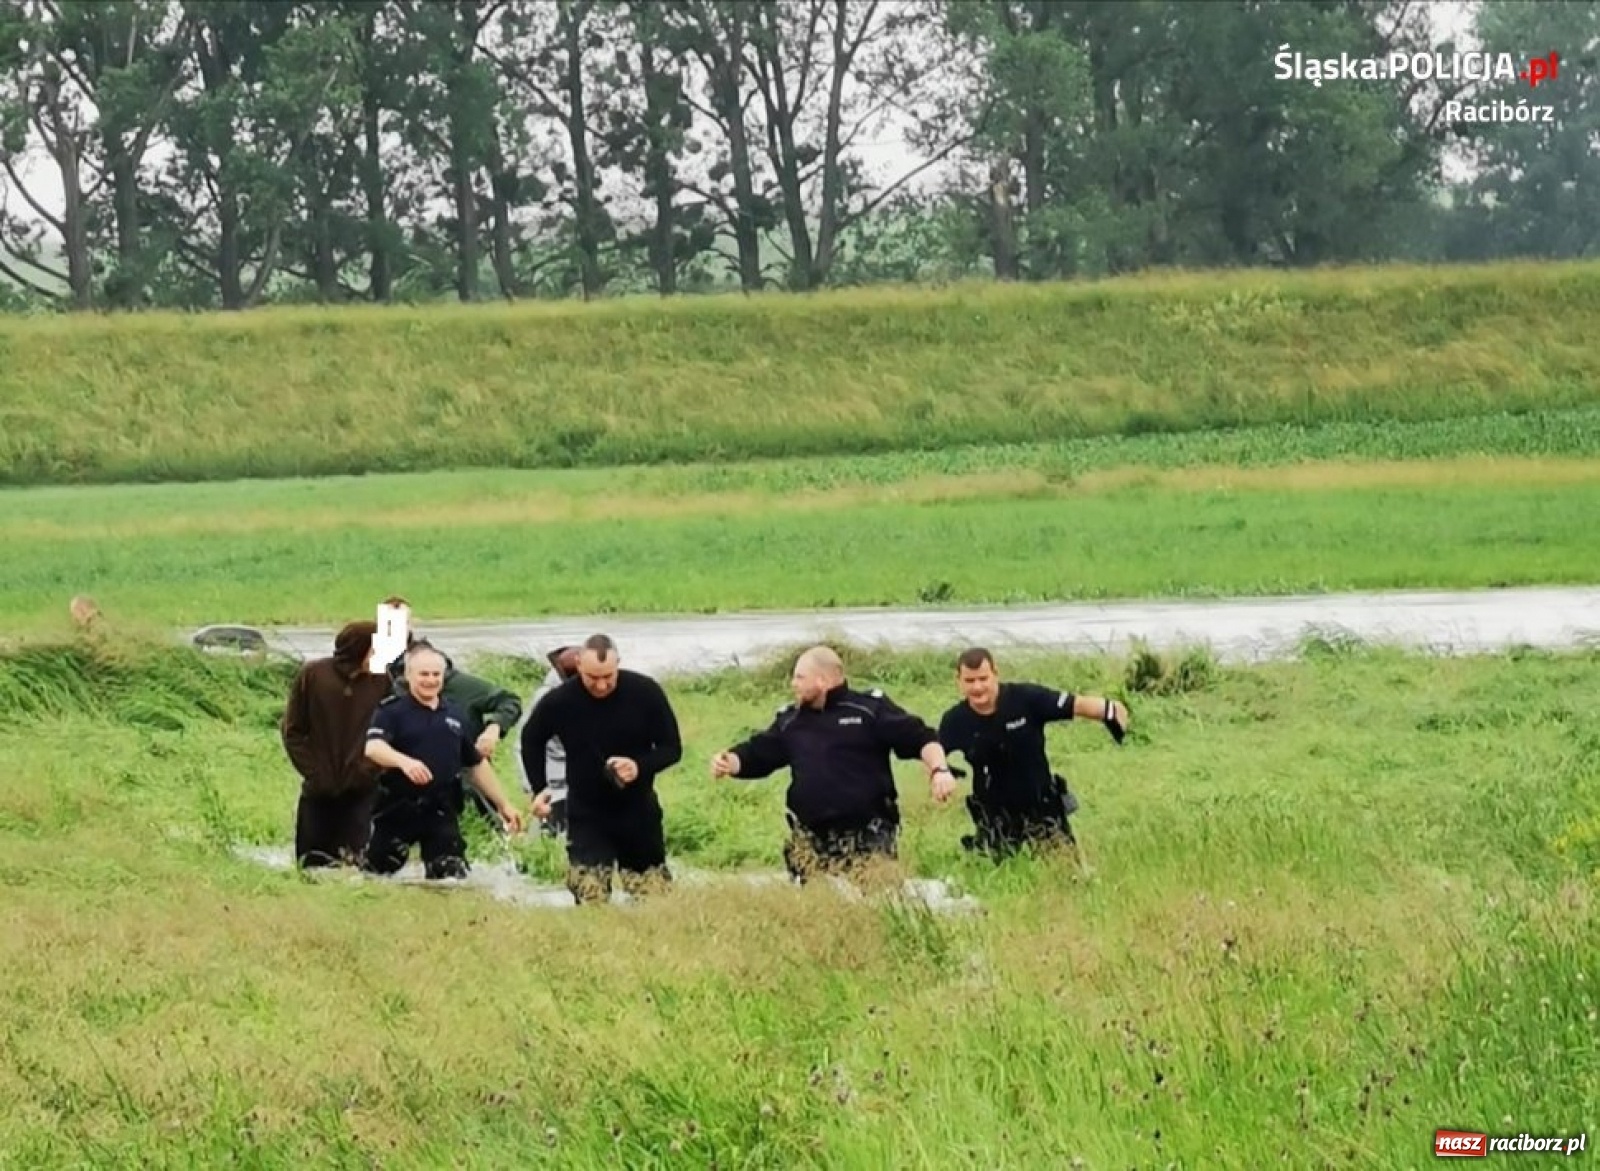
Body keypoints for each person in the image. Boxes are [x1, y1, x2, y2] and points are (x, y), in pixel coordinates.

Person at [711, 646, 956, 883]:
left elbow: (922, 738)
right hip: (811, 837)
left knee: (876, 905)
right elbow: (759, 753)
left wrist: (939, 771)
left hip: (868, 834)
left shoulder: (868, 710)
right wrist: (730, 762)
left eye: (799, 677)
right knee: (817, 911)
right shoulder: (791, 720)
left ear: (823, 681)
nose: (793, 684)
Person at [517, 634, 683, 905]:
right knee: (589, 891)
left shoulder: (645, 692)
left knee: (651, 894)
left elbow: (671, 749)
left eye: (609, 676)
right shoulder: (560, 701)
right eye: (593, 677)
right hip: (587, 812)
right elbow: (531, 739)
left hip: (637, 808)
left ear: (619, 665)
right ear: (579, 665)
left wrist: (639, 766)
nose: (602, 685)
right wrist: (540, 789)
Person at [936, 646, 1129, 859]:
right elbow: (932, 751)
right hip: (994, 815)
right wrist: (940, 773)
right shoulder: (955, 720)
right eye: (970, 681)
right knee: (1000, 880)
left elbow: (1076, 705)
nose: (978, 687)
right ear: (959, 681)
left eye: (983, 678)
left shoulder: (1026, 698)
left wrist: (1110, 710)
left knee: (1068, 874)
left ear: (995, 674)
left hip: (1041, 805)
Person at [362, 642, 526, 879]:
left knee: (450, 877)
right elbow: (373, 747)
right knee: (376, 876)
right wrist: (404, 762)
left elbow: (475, 763)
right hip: (397, 808)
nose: (430, 680)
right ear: (408, 676)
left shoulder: (454, 714)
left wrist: (504, 805)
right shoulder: (390, 712)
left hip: (441, 807)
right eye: (423, 674)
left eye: (435, 674)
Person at [379, 597, 523, 833]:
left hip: (461, 783)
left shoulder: (450, 679)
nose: (429, 681)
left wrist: (494, 728)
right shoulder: (376, 676)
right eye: (387, 624)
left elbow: (509, 700)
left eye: (399, 623)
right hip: (399, 786)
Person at [279, 620, 393, 869]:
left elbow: (389, 731)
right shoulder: (313, 675)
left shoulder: (382, 680)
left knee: (356, 863)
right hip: (319, 788)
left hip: (362, 788)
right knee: (311, 864)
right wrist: (315, 773)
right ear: (357, 648)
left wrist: (369, 769)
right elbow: (292, 731)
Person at [518, 645, 580, 838]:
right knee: (550, 840)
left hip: (584, 785)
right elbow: (523, 745)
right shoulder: (546, 699)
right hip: (553, 787)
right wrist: (533, 788)